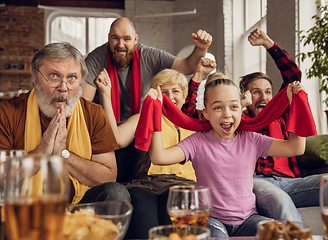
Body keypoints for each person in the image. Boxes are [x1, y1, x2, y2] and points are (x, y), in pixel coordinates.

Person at [145, 77, 312, 236]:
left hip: (249, 219)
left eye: (233, 107)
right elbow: (159, 157)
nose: (226, 114)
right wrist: (155, 111)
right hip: (211, 220)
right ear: (206, 113)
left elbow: (295, 147)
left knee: (282, 234)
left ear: (241, 109)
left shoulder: (252, 139)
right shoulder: (197, 142)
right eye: (218, 107)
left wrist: (296, 103)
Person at [241, 28, 328, 222]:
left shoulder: (281, 115)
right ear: (245, 96)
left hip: (294, 184)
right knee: (278, 199)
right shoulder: (239, 122)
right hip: (258, 182)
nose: (264, 97)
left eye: (268, 91)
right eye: (256, 92)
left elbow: (293, 74)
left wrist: (267, 43)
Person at [82, 17, 212, 182]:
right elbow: (83, 106)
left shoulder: (149, 56)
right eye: (115, 38)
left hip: (142, 129)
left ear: (136, 39)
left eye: (127, 39)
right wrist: (105, 95)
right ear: (108, 38)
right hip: (111, 130)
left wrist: (200, 49)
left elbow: (186, 66)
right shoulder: (95, 59)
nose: (120, 44)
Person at [0, 42, 131, 204]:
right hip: (24, 207)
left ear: (81, 82)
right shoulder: (8, 112)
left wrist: (63, 154)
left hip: (81, 208)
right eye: (54, 76)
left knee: (116, 192)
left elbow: (108, 177)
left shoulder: (94, 114)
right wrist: (41, 152)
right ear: (35, 77)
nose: (63, 87)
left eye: (72, 78)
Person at [96, 68, 200, 239]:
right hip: (145, 184)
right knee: (144, 219)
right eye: (163, 92)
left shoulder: (194, 125)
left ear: (184, 95)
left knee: (174, 220)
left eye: (175, 91)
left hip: (183, 185)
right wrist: (105, 94)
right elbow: (116, 139)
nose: (170, 96)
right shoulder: (143, 118)